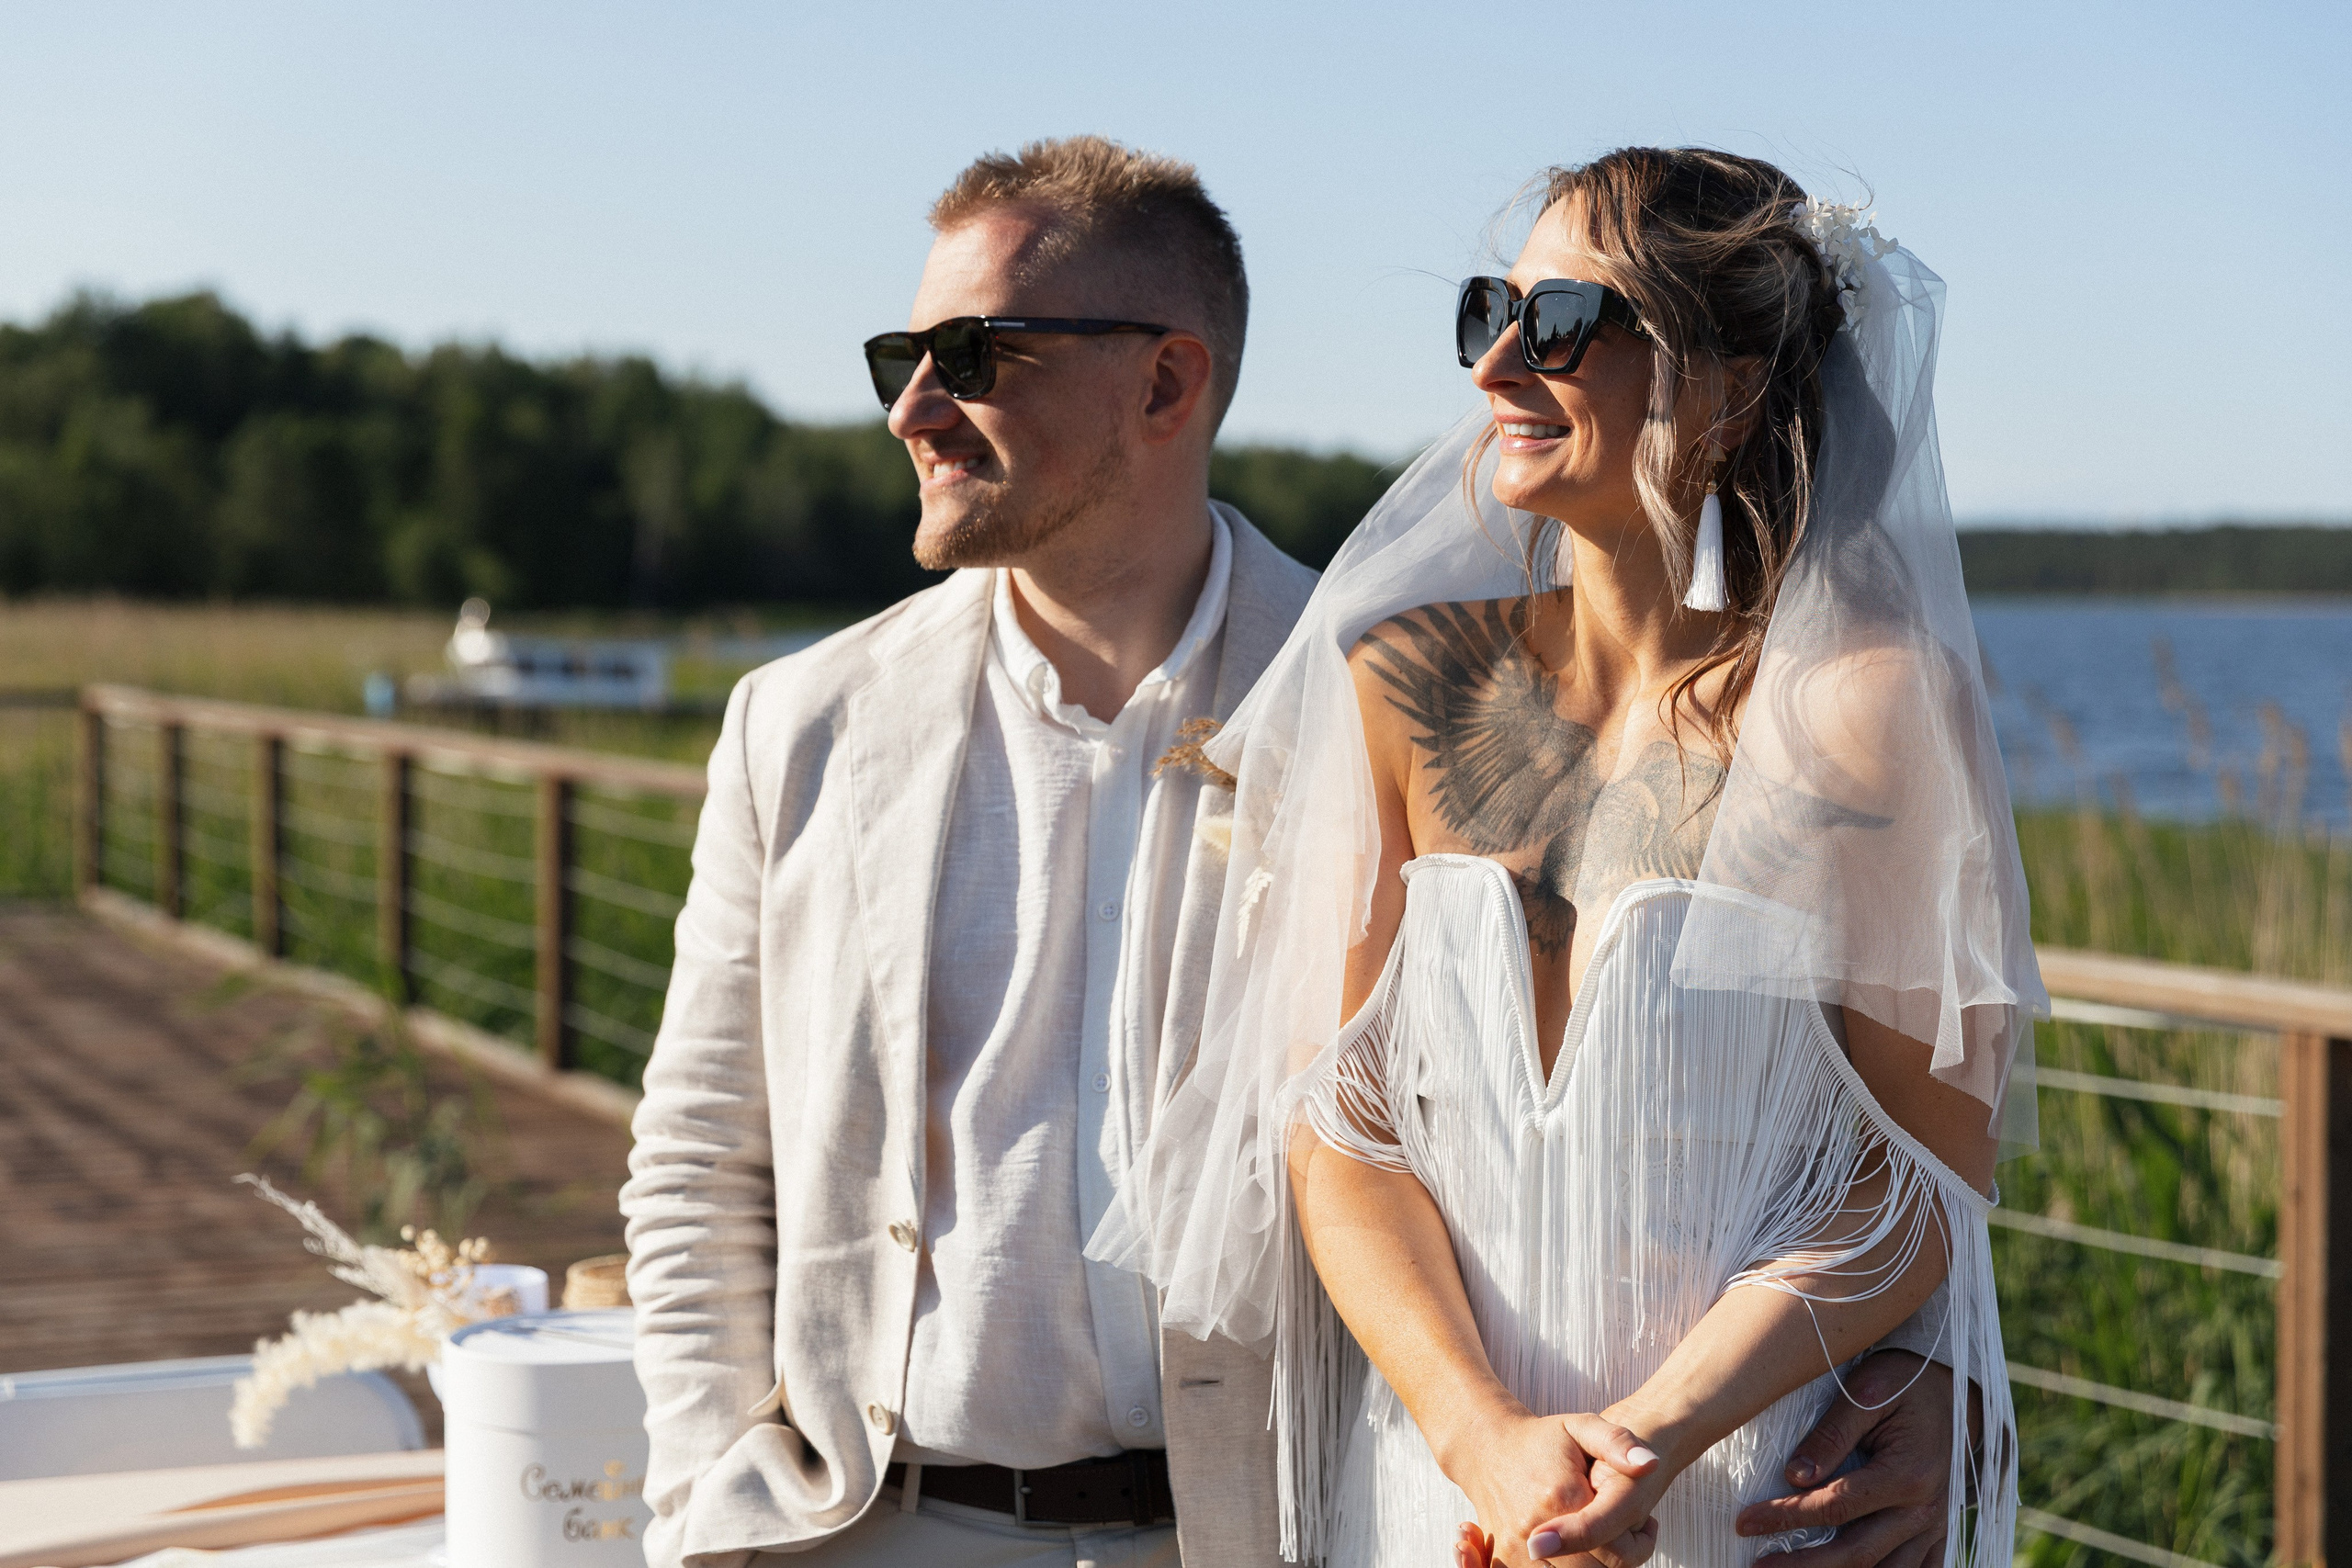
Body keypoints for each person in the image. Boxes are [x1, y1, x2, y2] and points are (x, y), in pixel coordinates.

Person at [627, 134, 1988, 1568]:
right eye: (905, 351)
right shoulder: (801, 725)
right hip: (875, 1527)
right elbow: (701, 1155)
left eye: (972, 352)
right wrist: (699, 1502)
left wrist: (1923, 1372)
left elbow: (1893, 1124)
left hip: (1267, 1521)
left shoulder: (1346, 672)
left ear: (1165, 381)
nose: (914, 404)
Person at [1090, 147, 2041, 1568]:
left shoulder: (1867, 706)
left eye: (1557, 326)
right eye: (1489, 312)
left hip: (1744, 1499)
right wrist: (1486, 1444)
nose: (1493, 371)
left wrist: (1643, 1447)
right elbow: (1334, 1129)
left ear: (1722, 386)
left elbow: (1919, 1176)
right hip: (1445, 1498)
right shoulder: (1402, 684)